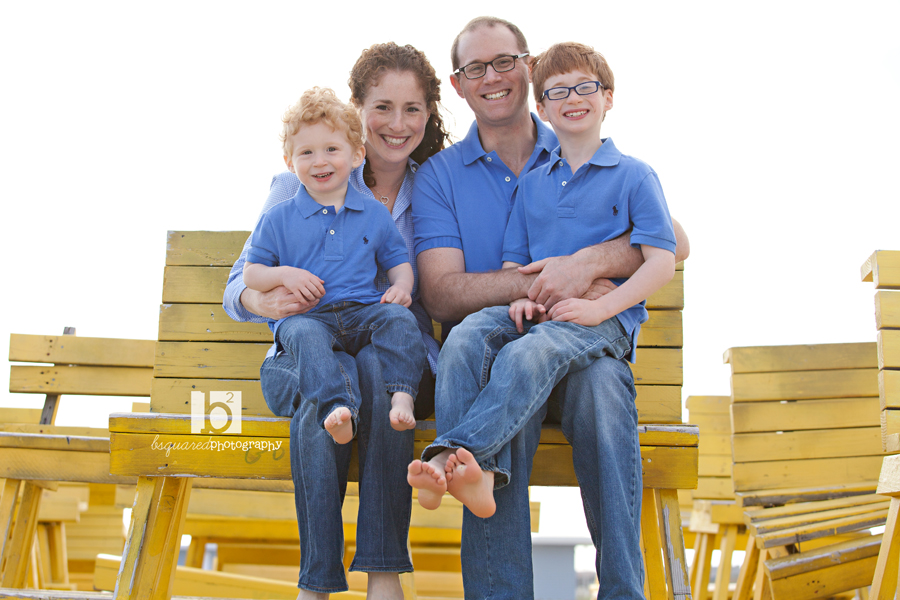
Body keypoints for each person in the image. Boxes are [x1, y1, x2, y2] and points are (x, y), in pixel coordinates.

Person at [410, 17, 690, 600]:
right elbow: (442, 292)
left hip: (585, 341)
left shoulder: (596, 150)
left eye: (504, 61)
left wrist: (586, 268)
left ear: (527, 67)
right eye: (475, 68)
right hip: (520, 339)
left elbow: (671, 245)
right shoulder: (446, 176)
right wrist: (537, 287)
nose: (493, 77)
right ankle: (474, 493)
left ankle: (622, 589)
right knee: (466, 342)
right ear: (458, 84)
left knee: (600, 384)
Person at [223, 42, 450, 599]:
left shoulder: (435, 188)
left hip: (386, 346)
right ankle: (318, 581)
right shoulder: (293, 189)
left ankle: (381, 573)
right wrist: (269, 301)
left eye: (412, 109)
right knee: (325, 384)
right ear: (358, 112)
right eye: (382, 107)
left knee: (374, 372)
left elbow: (425, 281)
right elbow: (240, 283)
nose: (397, 123)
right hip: (309, 344)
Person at [243, 86, 426, 445]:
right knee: (301, 333)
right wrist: (284, 275)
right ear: (289, 161)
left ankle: (402, 394)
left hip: (361, 312)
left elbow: (397, 261)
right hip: (309, 315)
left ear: (357, 155)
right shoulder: (278, 218)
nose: (319, 161)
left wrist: (402, 287)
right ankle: (335, 407)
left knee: (401, 319)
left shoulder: (374, 212)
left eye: (331, 149)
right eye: (306, 152)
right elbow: (251, 273)